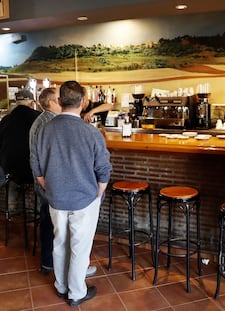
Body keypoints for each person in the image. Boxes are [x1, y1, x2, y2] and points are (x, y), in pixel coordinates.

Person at [31, 80, 112, 307]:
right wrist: (98, 191)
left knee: (60, 241)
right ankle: (76, 293)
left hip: (55, 196)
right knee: (79, 245)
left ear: (59, 101)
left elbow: (36, 164)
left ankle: (61, 286)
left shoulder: (44, 129)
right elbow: (104, 169)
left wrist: (47, 184)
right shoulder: (91, 132)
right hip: (84, 198)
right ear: (83, 102)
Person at [29, 87, 97, 277]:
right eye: (58, 99)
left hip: (48, 182)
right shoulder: (51, 122)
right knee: (62, 231)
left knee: (52, 225)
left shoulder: (44, 120)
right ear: (53, 102)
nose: (60, 102)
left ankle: (51, 264)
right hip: (52, 185)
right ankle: (69, 269)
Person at [0, 89, 40, 185]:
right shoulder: (38, 118)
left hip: (9, 168)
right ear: (31, 104)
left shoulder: (6, 120)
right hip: (31, 169)